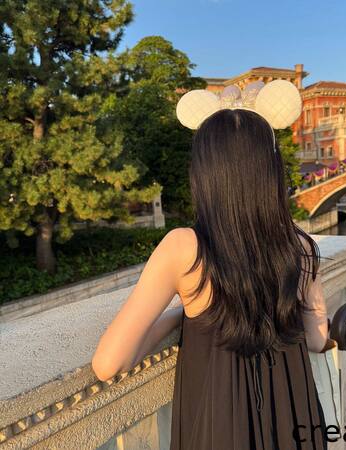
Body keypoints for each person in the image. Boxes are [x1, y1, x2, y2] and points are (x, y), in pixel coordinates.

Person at [92, 109, 330, 450]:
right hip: (292, 418)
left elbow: (109, 363)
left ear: (204, 174)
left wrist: (185, 315)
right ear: (271, 171)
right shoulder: (299, 246)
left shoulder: (184, 247)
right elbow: (318, 339)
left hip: (221, 428)